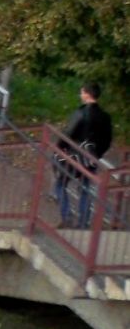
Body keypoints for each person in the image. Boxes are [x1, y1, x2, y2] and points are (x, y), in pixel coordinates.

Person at [57, 84, 114, 228]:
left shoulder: (81, 113)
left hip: (74, 156)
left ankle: (67, 217)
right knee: (85, 189)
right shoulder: (105, 116)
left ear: (87, 94)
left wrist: (59, 148)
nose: (80, 95)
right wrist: (96, 155)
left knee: (60, 184)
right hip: (91, 157)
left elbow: (69, 133)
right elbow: (107, 140)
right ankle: (83, 223)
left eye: (82, 93)